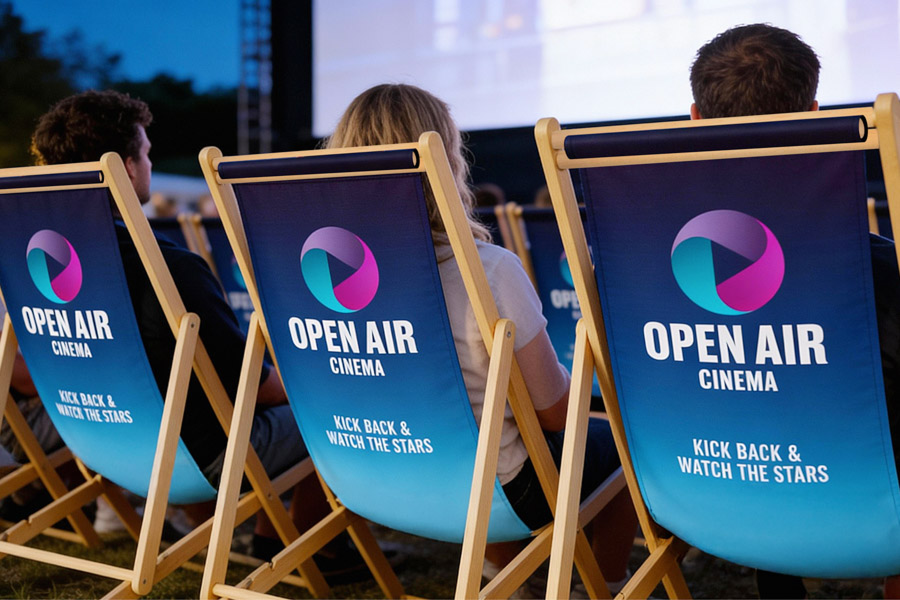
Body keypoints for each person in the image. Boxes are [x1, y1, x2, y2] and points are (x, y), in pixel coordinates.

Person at [325, 83, 638, 593]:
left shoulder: (318, 279)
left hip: (367, 474)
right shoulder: (486, 271)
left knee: (484, 425)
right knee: (621, 448)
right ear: (446, 161)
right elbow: (556, 414)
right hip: (489, 493)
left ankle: (503, 576)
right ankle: (603, 587)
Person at [28, 90, 355, 572]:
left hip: (99, 441)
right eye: (146, 153)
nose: (150, 163)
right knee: (336, 411)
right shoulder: (170, 268)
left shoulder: (37, 266)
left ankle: (250, 537)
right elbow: (250, 386)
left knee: (188, 400)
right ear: (126, 167)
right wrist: (320, 384)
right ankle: (311, 550)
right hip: (192, 461)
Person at [690, 23, 900, 599]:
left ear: (695, 120)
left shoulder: (638, 269)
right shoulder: (872, 269)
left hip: (708, 491)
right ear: (811, 116)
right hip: (861, 504)